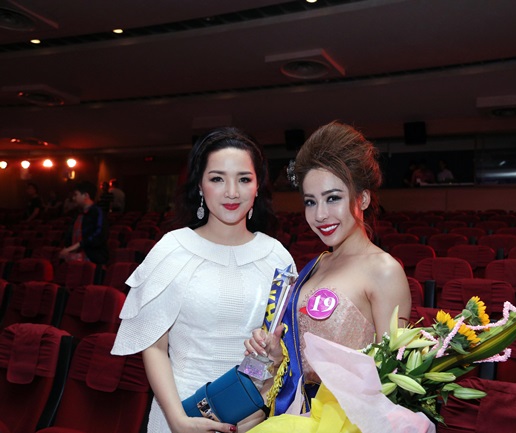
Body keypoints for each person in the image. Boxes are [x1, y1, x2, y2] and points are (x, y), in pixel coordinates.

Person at [111, 127, 294, 433]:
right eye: (217, 178)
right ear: (199, 185)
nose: (232, 192)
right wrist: (177, 419)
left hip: (254, 416)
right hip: (181, 410)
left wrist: (261, 404)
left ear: (258, 187)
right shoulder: (172, 249)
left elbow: (280, 351)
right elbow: (154, 346)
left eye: (244, 179)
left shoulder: (277, 257)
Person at [245, 122, 411, 428]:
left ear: (362, 199)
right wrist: (274, 355)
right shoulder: (314, 267)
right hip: (295, 413)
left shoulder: (384, 271)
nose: (320, 214)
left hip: (348, 422)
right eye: (311, 201)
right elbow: (296, 364)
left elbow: (396, 375)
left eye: (332, 198)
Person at [59, 180, 109, 265]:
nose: (73, 198)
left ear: (86, 195)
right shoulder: (77, 213)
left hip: (91, 258)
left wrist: (77, 245)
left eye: (76, 195)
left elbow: (99, 235)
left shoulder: (97, 212)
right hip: (76, 257)